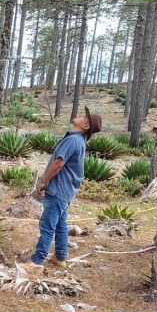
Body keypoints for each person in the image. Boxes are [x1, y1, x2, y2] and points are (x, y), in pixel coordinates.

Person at [31, 106, 102, 268]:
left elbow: (58, 164)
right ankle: (60, 257)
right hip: (66, 191)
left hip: (58, 190)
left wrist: (43, 181)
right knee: (60, 224)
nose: (80, 116)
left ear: (85, 126)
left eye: (84, 116)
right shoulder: (78, 140)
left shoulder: (73, 140)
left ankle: (37, 261)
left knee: (47, 225)